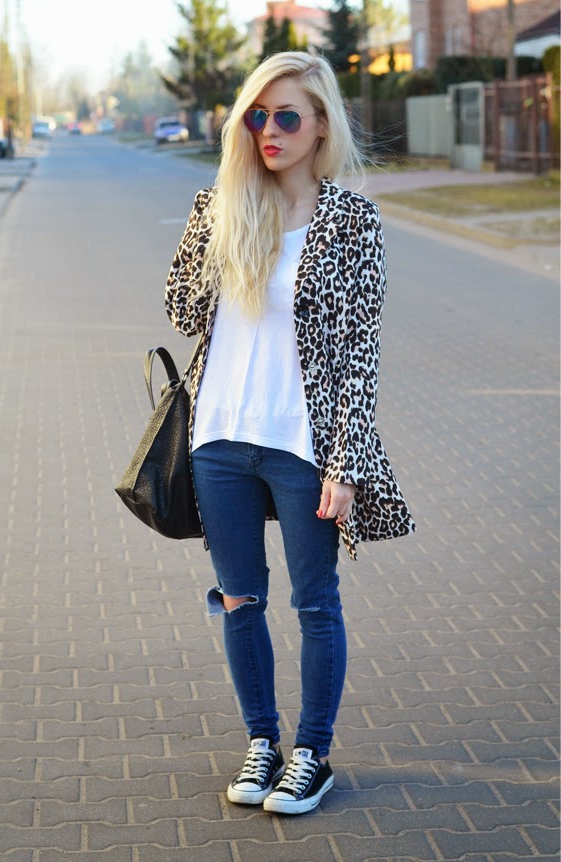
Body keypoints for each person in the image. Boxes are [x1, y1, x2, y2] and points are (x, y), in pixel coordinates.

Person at [165, 51, 415, 816]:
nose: (268, 130)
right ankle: (262, 742)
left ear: (320, 127)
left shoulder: (350, 220)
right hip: (219, 439)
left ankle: (312, 753)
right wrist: (216, 217)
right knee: (240, 599)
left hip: (304, 444)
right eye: (255, 116)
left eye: (286, 117)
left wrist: (346, 462)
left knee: (315, 603)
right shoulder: (223, 204)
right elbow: (180, 309)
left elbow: (361, 355)